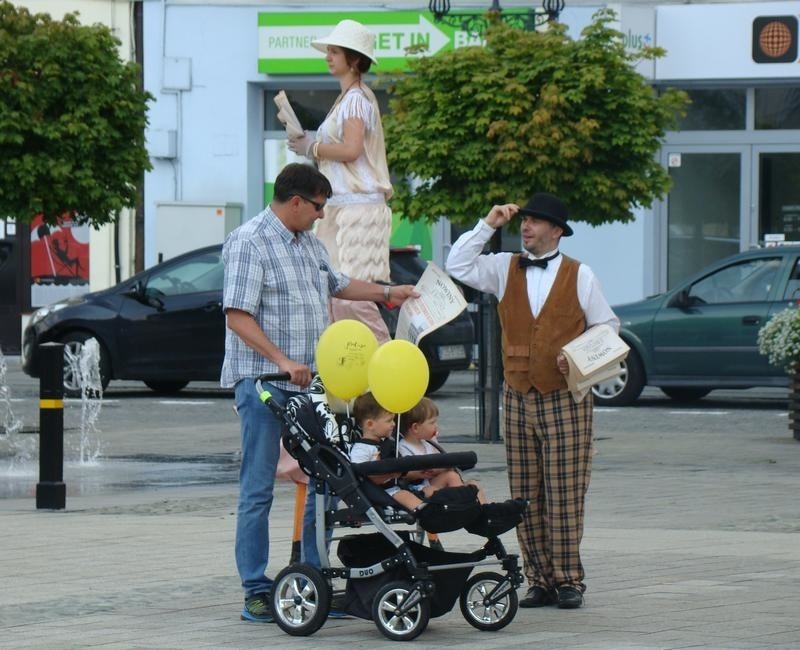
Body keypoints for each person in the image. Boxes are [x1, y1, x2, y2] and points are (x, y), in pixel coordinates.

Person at [221, 162, 417, 623]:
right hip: (265, 386)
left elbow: (339, 282)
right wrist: (282, 362)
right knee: (257, 491)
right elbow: (236, 315)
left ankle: (313, 580)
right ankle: (254, 588)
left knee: (323, 485)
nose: (321, 215)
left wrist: (390, 292)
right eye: (317, 206)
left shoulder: (307, 243)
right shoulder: (250, 241)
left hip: (311, 390)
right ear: (294, 201)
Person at [445, 193, 620, 610]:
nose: (526, 227)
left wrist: (577, 354)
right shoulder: (505, 267)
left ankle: (568, 580)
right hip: (518, 393)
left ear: (556, 231)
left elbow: (608, 327)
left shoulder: (580, 275)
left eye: (536, 221)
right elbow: (458, 265)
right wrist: (488, 224)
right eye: (524, 220)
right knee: (526, 493)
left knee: (565, 491)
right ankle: (538, 579)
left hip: (565, 396)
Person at [288, 19, 393, 344]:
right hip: (340, 207)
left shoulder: (356, 99)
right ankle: (356, 380)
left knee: (352, 298)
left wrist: (313, 146)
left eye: (334, 51)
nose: (328, 56)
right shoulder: (348, 98)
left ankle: (387, 370)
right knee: (333, 296)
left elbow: (351, 148)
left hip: (359, 208)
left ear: (354, 59)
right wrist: (311, 143)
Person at [350, 392, 467, 511]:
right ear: (370, 424)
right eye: (389, 420)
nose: (394, 424)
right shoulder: (361, 449)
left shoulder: (387, 443)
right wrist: (391, 472)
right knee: (405, 495)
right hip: (384, 491)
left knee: (437, 486)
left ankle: (462, 505)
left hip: (399, 485)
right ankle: (426, 511)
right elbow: (359, 473)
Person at [397, 396, 487, 504]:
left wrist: (434, 441)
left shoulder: (427, 443)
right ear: (415, 428)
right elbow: (407, 474)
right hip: (417, 488)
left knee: (474, 484)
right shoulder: (403, 447)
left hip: (432, 481)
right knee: (451, 476)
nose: (436, 426)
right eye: (432, 423)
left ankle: (485, 512)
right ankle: (464, 507)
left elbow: (440, 461)